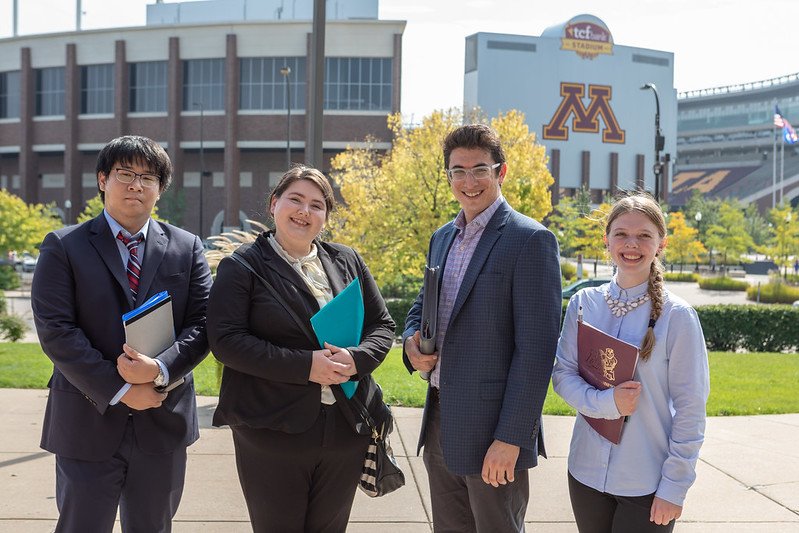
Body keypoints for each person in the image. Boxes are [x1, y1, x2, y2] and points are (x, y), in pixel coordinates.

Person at [31, 135, 213, 532]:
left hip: (162, 420)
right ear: (102, 180)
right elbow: (57, 331)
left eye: (148, 177)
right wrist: (122, 388)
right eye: (125, 173)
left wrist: (159, 370)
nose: (136, 185)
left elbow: (203, 326)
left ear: (160, 189)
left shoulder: (188, 247)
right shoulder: (64, 246)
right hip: (87, 421)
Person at [207, 165, 395, 532]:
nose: (304, 211)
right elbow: (226, 341)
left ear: (326, 216)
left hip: (345, 427)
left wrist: (356, 360)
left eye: (317, 204)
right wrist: (306, 366)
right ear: (275, 203)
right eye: (295, 199)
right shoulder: (243, 266)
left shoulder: (347, 260)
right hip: (273, 432)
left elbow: (382, 326)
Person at [402, 124, 562, 532]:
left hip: (495, 432)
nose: (468, 182)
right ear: (448, 176)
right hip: (439, 421)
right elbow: (424, 306)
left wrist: (511, 438)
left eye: (479, 170)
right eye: (458, 171)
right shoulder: (443, 237)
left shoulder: (531, 240)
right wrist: (410, 342)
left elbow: (537, 351)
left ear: (501, 172)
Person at [552, 193, 710, 532]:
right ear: (606, 240)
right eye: (621, 234)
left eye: (644, 236)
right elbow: (563, 375)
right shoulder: (583, 304)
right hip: (585, 473)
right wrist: (607, 403)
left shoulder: (678, 317)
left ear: (661, 244)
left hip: (647, 482)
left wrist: (675, 487)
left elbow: (691, 410)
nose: (631, 244)